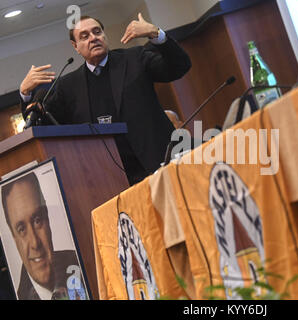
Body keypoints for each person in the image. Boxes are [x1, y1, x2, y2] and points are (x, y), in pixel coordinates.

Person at [19, 14, 191, 185]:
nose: (93, 38)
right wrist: (25, 94)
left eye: (97, 32)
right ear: (75, 46)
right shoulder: (68, 86)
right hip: (112, 179)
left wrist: (156, 33)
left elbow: (179, 67)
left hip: (161, 162)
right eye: (84, 36)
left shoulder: (134, 59)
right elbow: (42, 127)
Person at [1, 172, 87, 300]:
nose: (35, 243)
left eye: (37, 220)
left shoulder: (82, 262)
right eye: (21, 229)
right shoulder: (12, 294)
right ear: (12, 235)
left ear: (47, 216)